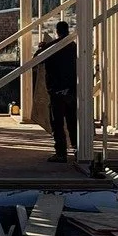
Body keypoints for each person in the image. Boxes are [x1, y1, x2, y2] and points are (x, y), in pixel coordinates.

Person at [40, 18, 77, 162]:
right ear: (67, 31)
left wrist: (43, 48)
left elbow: (37, 59)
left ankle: (61, 154)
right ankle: (78, 150)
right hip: (72, 91)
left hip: (57, 91)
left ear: (57, 32)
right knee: (73, 122)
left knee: (57, 123)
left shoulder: (53, 47)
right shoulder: (73, 46)